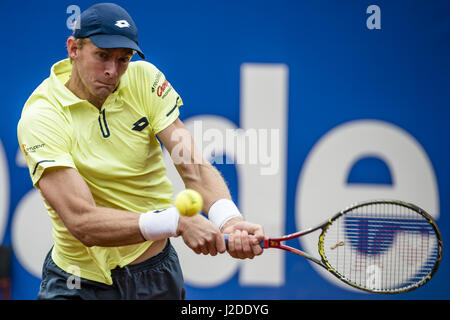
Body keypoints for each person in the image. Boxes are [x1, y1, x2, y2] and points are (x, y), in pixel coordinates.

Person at [17, 3, 264, 300]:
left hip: (155, 277)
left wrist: (230, 220)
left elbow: (192, 166)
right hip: (77, 281)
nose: (112, 71)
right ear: (73, 49)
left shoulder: (144, 80)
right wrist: (176, 222)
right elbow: (82, 221)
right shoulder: (42, 116)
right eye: (102, 56)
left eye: (123, 59)